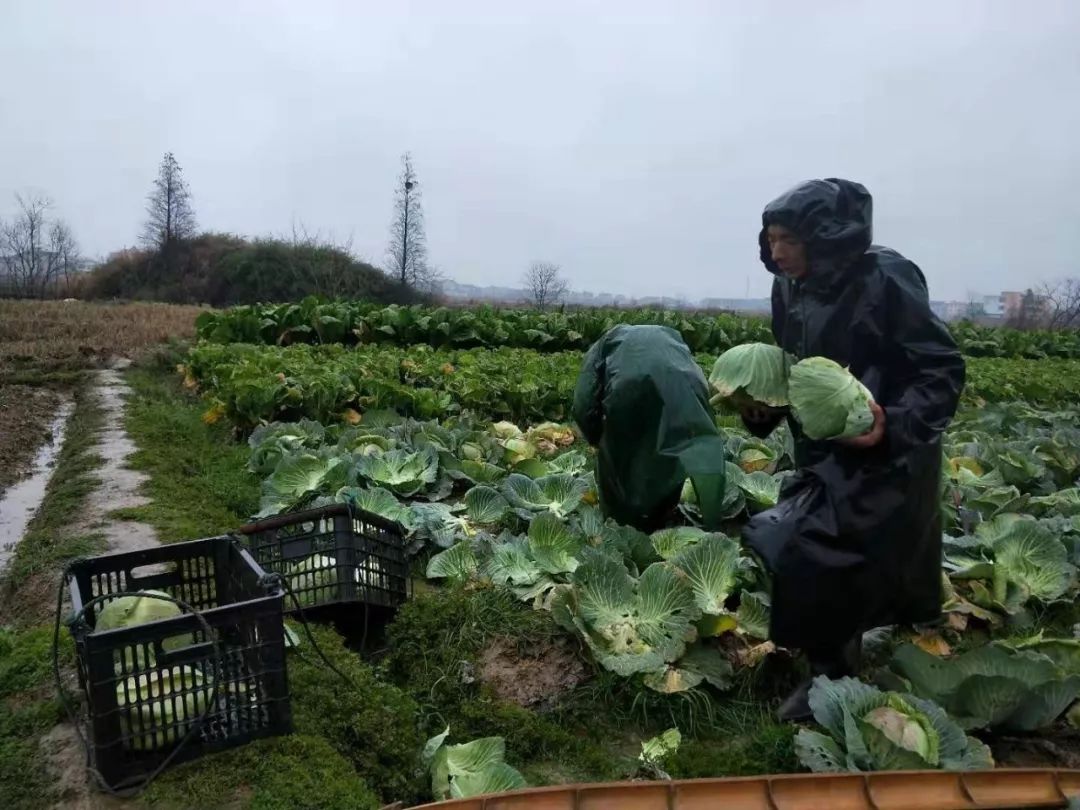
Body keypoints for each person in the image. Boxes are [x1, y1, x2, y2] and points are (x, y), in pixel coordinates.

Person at [741, 178, 965, 722]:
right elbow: (795, 367)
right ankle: (828, 660)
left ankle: (830, 678)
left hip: (885, 450)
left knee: (817, 548)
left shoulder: (886, 279)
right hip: (822, 448)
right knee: (817, 553)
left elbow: (940, 369)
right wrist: (765, 406)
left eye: (788, 239)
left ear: (826, 237)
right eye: (770, 240)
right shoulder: (789, 287)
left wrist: (892, 425)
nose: (777, 252)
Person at [572, 324, 728, 532]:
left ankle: (620, 525)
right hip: (688, 382)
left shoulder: (601, 347)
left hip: (627, 388)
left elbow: (584, 401)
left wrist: (595, 436)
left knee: (620, 460)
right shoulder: (674, 341)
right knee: (670, 454)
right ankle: (660, 520)